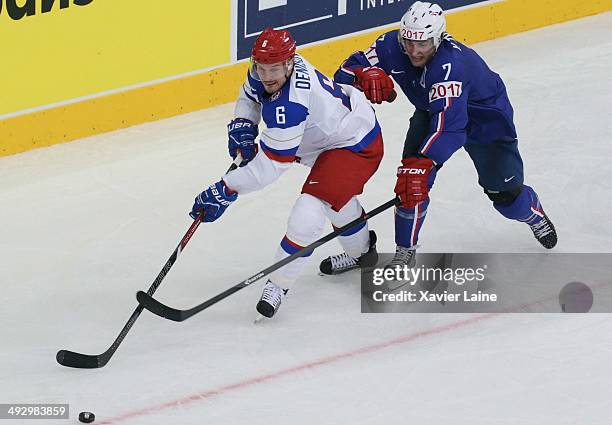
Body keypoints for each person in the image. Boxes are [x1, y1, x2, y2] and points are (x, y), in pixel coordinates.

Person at [321, 1, 557, 274]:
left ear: (438, 38)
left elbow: (451, 128)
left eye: (422, 44)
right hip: (434, 110)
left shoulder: (450, 66)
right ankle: (405, 253)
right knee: (410, 181)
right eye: (408, 41)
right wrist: (363, 74)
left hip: (485, 121)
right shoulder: (389, 45)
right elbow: (344, 72)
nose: (413, 50)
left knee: (506, 198)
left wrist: (426, 162)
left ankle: (532, 212)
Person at [190, 28, 384, 318]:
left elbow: (271, 167)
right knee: (335, 201)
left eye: (275, 69)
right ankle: (363, 254)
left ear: (289, 64)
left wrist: (226, 188)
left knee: (308, 211)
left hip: (354, 143)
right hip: (328, 139)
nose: (267, 75)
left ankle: (278, 285)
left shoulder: (290, 105)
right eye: (262, 67)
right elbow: (250, 96)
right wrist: (244, 123)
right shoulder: (267, 68)